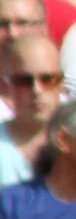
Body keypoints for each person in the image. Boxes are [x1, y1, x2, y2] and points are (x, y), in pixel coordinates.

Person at [0, 29, 62, 184]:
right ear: (7, 86)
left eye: (47, 79)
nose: (37, 90)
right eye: (24, 81)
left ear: (62, 84)